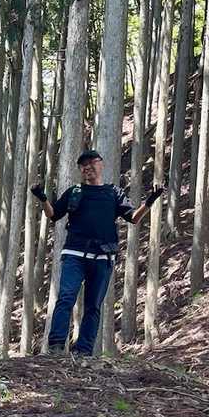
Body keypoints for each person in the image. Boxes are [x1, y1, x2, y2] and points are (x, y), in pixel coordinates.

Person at [30, 149, 161, 356]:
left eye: (91, 162)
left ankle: (84, 351)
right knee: (66, 297)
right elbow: (53, 215)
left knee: (93, 306)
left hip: (103, 257)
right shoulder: (74, 192)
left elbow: (133, 218)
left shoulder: (113, 192)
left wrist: (150, 201)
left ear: (101, 164)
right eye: (83, 165)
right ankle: (56, 347)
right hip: (74, 254)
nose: (87, 167)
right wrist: (42, 198)